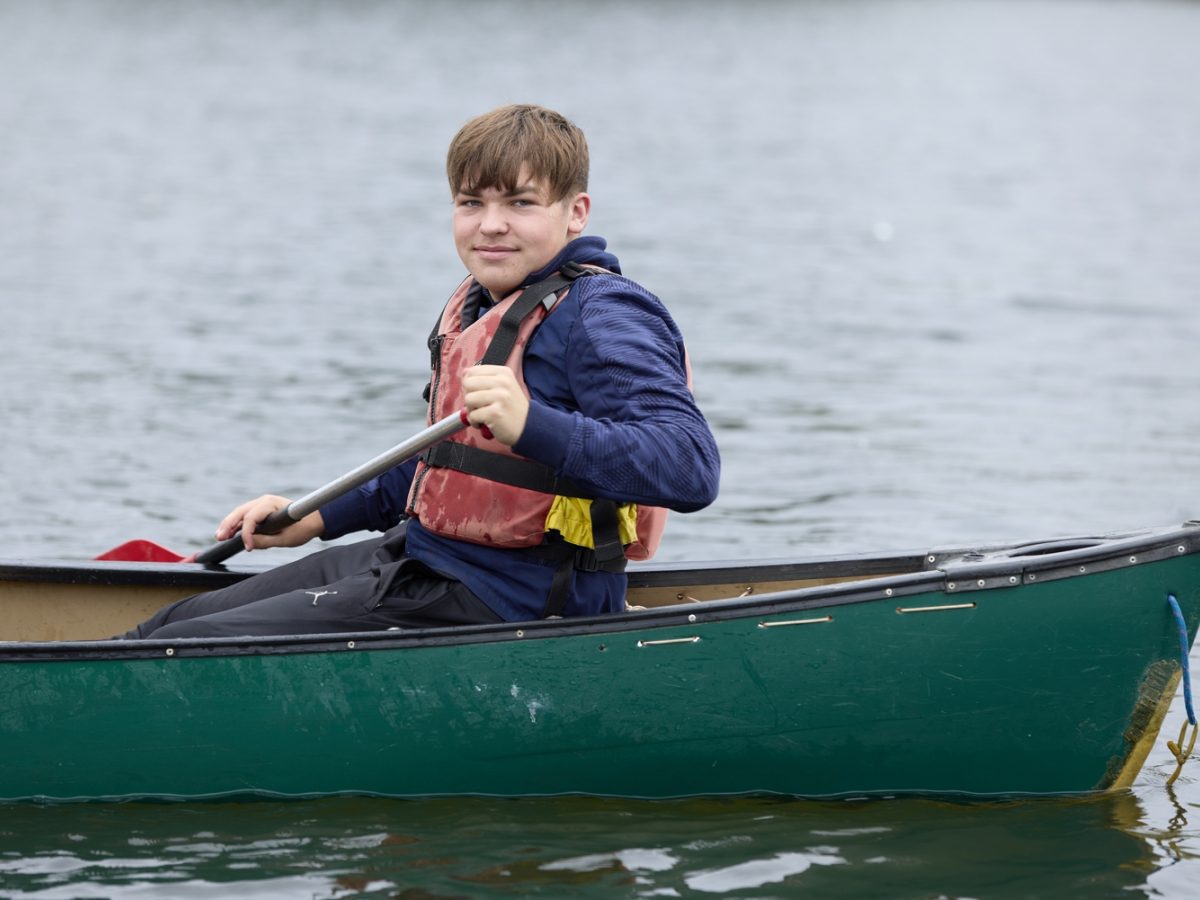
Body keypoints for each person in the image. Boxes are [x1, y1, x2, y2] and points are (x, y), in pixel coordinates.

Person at [122, 104, 720, 640]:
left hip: (515, 597)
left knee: (186, 647)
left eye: (520, 202)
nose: (491, 224)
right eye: (471, 202)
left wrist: (532, 423)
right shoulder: (486, 299)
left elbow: (691, 467)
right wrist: (317, 516)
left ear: (575, 214)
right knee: (175, 623)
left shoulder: (604, 314)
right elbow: (449, 462)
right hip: (427, 556)